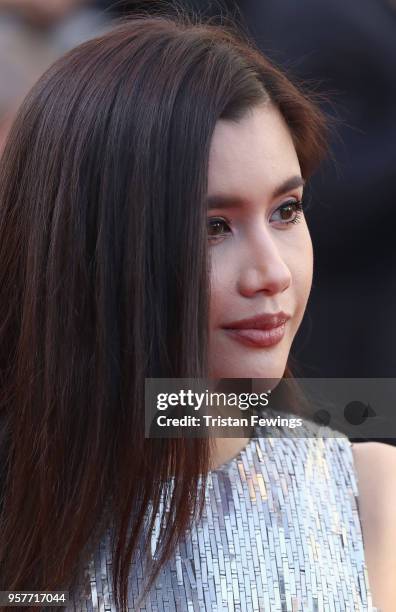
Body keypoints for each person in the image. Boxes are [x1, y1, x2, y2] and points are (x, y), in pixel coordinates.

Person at [0, 8, 395, 612]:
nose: (272, 273)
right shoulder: (24, 518)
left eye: (286, 210)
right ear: (92, 249)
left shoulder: (372, 496)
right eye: (213, 226)